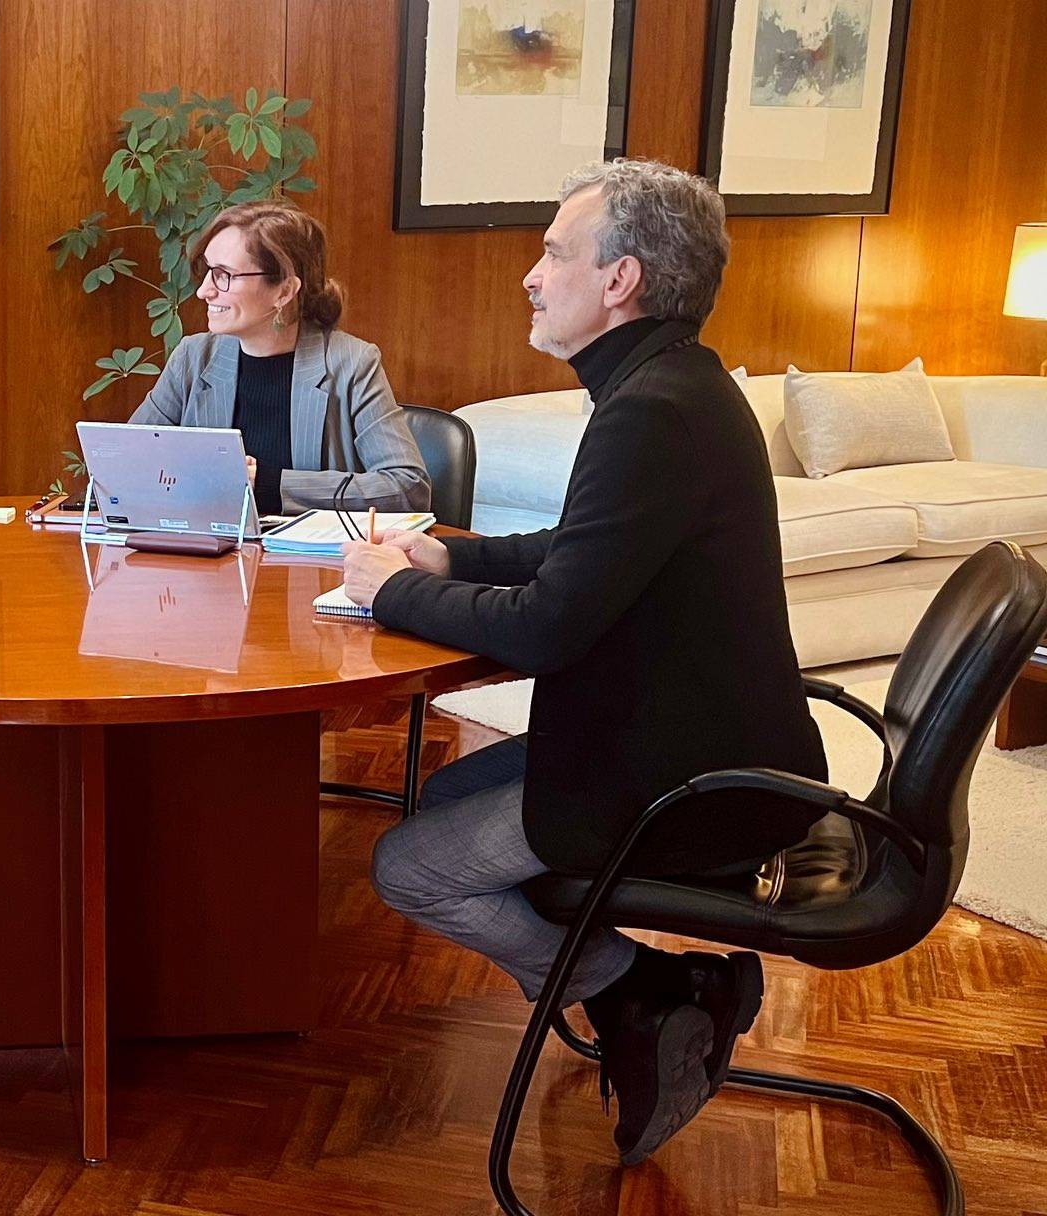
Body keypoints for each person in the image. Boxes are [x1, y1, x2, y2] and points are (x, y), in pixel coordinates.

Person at [336, 160, 828, 1163]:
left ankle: (643, 989)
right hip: (688, 737)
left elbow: (553, 623)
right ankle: (649, 992)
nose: (529, 274)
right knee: (436, 803)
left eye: (552, 251)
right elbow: (588, 545)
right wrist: (451, 554)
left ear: (619, 280)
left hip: (688, 778)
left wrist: (387, 590)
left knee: (406, 865)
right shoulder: (674, 382)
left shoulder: (650, 408)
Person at [129, 200, 429, 517]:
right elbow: (128, 461)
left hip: (309, 563)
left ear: (283, 291)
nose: (204, 291)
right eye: (207, 271)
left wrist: (268, 485)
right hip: (207, 556)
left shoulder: (352, 364)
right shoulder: (193, 357)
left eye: (224, 275)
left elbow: (408, 487)